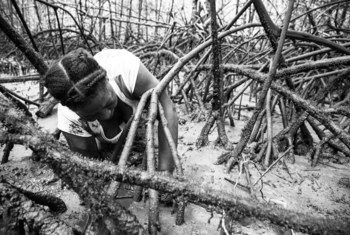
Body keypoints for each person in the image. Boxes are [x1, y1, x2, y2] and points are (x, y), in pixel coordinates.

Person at [44, 48, 178, 174]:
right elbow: (88, 169)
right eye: (92, 114)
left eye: (108, 104)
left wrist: (164, 173)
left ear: (107, 79)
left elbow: (167, 109)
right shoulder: (69, 117)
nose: (106, 115)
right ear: (73, 110)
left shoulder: (125, 68)